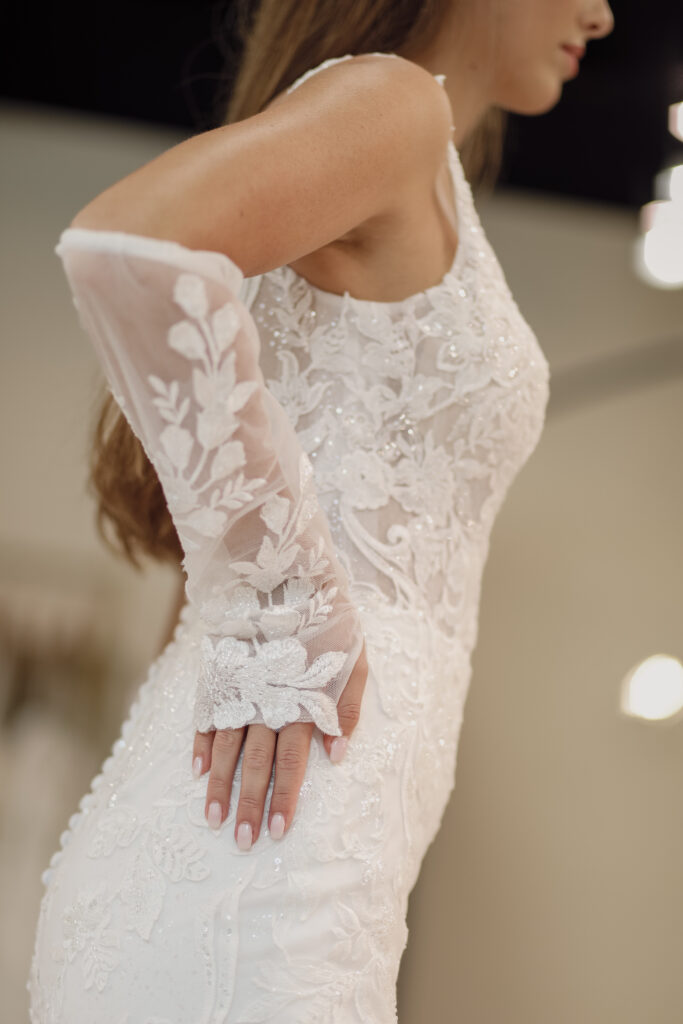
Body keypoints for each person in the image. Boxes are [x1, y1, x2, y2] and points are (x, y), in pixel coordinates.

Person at [27, 0, 614, 1020]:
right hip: (267, 870)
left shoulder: (422, 158)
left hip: (296, 853)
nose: (601, 15)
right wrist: (276, 603)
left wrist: (254, 610)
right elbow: (128, 246)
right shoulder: (390, 104)